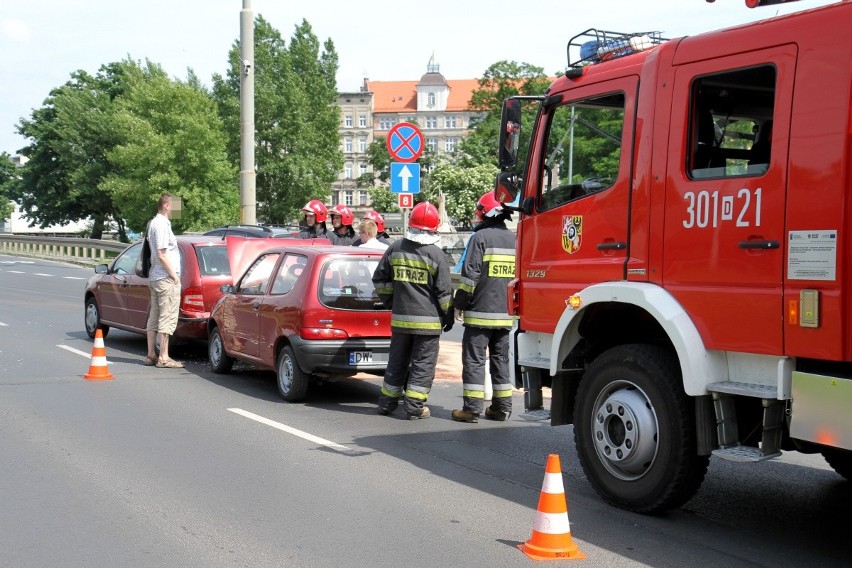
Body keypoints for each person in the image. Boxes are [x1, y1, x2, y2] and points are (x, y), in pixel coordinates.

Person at [373, 201, 454, 419]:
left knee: (397, 361)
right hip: (428, 324)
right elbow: (444, 294)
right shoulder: (436, 255)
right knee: (423, 364)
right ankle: (414, 406)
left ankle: (387, 403)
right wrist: (448, 317)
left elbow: (380, 280)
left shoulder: (396, 247)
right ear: (434, 227)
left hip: (400, 321)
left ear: (411, 223)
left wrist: (392, 302)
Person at [451, 191, 517, 423]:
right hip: (505, 315)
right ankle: (501, 408)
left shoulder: (480, 238)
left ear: (485, 212)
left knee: (474, 361)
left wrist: (459, 303)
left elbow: (470, 277)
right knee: (501, 360)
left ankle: (471, 409)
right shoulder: (514, 239)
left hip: (480, 314)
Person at [144, 193, 184, 369]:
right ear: (167, 205)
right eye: (176, 205)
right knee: (166, 317)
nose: (178, 209)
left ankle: (151, 354)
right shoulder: (161, 225)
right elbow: (162, 253)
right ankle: (163, 357)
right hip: (164, 277)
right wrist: (174, 276)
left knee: (155, 316)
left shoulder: (154, 223)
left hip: (156, 277)